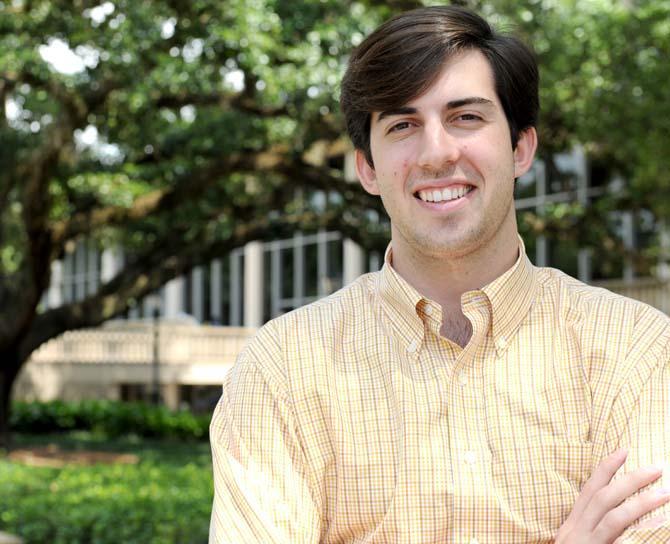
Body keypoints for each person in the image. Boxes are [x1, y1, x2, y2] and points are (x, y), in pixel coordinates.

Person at [209, 6, 670, 543]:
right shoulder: (283, 371)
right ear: (368, 168)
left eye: (466, 117)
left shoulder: (635, 351)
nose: (436, 153)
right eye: (403, 125)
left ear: (521, 147)